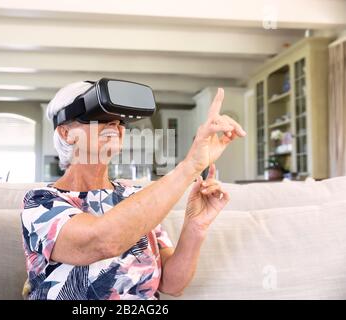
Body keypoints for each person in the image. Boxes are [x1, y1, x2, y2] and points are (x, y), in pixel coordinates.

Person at [20, 81, 246, 300]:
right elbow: (103, 241)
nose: (115, 126)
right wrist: (190, 167)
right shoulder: (40, 203)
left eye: (119, 121)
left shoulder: (135, 198)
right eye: (100, 117)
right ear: (65, 133)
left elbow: (172, 284)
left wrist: (195, 227)